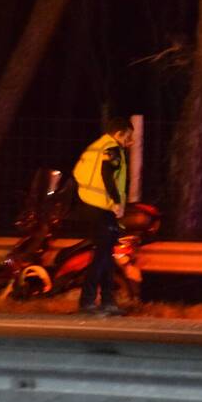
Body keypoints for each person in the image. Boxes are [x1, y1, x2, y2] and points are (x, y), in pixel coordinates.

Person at [72, 117, 134, 315]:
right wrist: (116, 201)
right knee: (101, 255)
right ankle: (87, 301)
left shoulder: (97, 146)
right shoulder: (112, 148)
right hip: (103, 208)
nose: (130, 142)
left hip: (90, 205)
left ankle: (108, 301)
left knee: (106, 254)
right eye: (128, 136)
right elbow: (107, 173)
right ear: (119, 134)